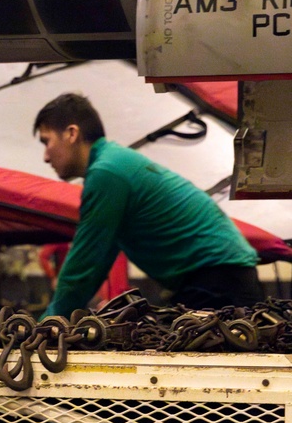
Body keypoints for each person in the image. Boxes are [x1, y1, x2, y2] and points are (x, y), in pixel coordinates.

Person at [34, 93, 264, 319]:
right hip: (223, 274)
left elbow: (85, 263)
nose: (45, 157)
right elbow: (98, 258)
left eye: (47, 141)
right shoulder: (115, 161)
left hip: (217, 278)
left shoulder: (106, 172)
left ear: (71, 134)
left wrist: (47, 324)